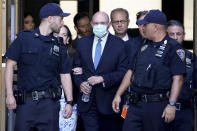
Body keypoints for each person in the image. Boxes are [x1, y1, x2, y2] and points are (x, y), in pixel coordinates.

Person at [112, 9, 186, 131]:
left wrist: (171, 105)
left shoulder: (174, 48)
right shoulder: (144, 45)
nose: (143, 28)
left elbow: (178, 79)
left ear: (155, 27)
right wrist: (118, 94)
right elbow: (131, 71)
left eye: (145, 25)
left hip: (157, 105)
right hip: (135, 104)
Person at [5, 3, 73, 131]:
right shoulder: (24, 38)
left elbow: (65, 74)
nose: (62, 23)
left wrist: (69, 102)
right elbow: (10, 65)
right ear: (50, 19)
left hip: (49, 105)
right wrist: (9, 94)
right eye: (60, 18)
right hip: (26, 104)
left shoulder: (59, 45)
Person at [73, 11, 128, 131]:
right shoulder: (82, 43)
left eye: (102, 23)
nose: (99, 26)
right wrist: (80, 83)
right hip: (87, 101)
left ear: (108, 25)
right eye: (96, 23)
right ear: (91, 24)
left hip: (109, 101)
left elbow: (123, 72)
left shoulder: (119, 45)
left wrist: (103, 78)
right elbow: (76, 69)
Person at [167, 20, 194, 131]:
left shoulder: (191, 57)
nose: (175, 37)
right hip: (163, 109)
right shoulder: (157, 56)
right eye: (171, 34)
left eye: (178, 34)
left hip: (185, 112)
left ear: (183, 36)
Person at [56, 25, 79, 131]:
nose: (60, 38)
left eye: (64, 35)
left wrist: (82, 71)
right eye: (56, 34)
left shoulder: (74, 56)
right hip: (49, 103)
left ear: (68, 39)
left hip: (68, 103)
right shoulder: (46, 55)